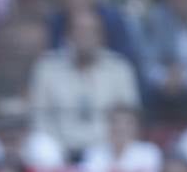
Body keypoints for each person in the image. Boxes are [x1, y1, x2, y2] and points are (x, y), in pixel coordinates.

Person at [29, 8, 140, 159]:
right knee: (39, 147)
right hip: (59, 149)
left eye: (91, 31)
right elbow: (39, 117)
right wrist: (59, 145)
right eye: (79, 31)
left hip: (106, 150)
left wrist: (108, 145)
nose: (85, 37)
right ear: (68, 35)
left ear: (101, 37)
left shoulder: (119, 68)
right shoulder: (47, 68)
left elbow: (129, 117)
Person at [80, 105, 162, 172]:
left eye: (128, 123)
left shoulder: (149, 152)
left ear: (136, 127)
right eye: (115, 122)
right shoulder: (94, 153)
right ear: (108, 126)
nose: (121, 127)